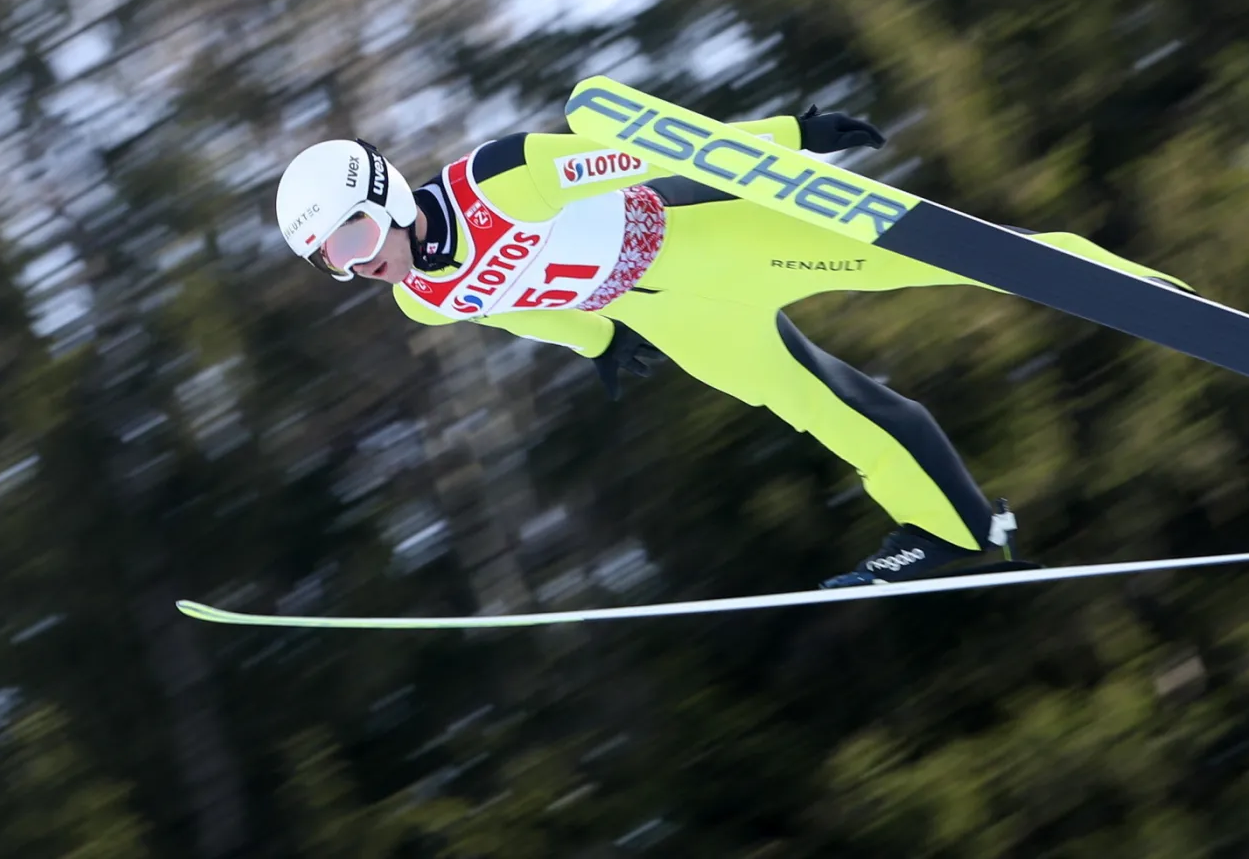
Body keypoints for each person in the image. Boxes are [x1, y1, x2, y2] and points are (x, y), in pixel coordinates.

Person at [275, 107, 1191, 588]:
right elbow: (517, 310)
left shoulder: (502, 180)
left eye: (355, 242)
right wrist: (598, 340)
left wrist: (791, 138)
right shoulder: (426, 301)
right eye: (335, 265)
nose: (363, 269)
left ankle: (1152, 293)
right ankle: (954, 527)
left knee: (936, 260)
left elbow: (642, 152)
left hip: (707, 233)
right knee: (822, 404)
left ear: (384, 195)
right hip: (675, 314)